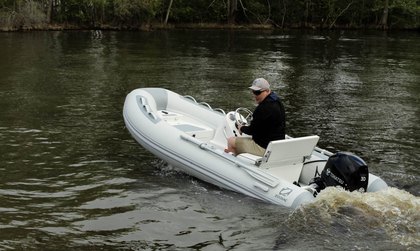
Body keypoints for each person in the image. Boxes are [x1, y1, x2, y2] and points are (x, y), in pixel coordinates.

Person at [225, 78, 286, 156]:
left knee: (231, 141)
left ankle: (232, 161)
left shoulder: (263, 108)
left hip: (264, 148)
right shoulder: (277, 102)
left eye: (257, 92)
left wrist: (241, 128)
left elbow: (251, 131)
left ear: (267, 91)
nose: (254, 95)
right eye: (253, 92)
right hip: (275, 145)